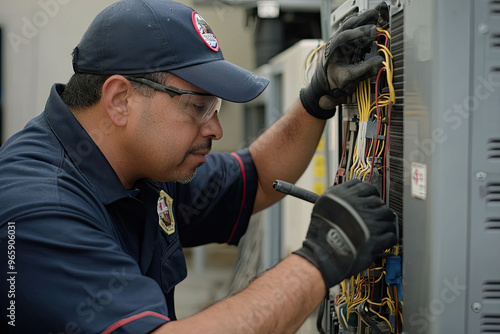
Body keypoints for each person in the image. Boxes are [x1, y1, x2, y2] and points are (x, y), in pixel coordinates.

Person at [0, 0, 395, 333]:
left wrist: (317, 100)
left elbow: (254, 179)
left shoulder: (141, 169)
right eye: (198, 106)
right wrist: (322, 259)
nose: (217, 128)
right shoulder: (38, 212)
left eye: (216, 107)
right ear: (120, 99)